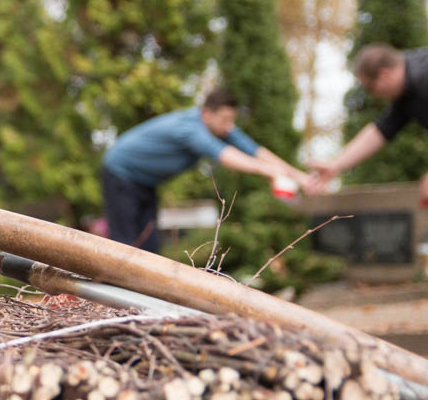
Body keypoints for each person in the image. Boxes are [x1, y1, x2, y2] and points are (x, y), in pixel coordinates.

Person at [100, 88, 311, 253]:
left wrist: (300, 177)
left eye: (232, 120)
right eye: (225, 120)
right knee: (124, 242)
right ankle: (114, 300)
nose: (229, 127)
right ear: (207, 113)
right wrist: (270, 172)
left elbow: (255, 150)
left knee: (149, 243)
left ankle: (141, 302)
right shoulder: (190, 128)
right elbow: (225, 156)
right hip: (121, 172)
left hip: (146, 182)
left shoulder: (220, 127)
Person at [309, 44, 428, 203]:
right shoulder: (406, 91)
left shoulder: (423, 75)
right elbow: (381, 130)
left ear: (385, 75)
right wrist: (335, 165)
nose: (373, 95)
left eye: (370, 88)